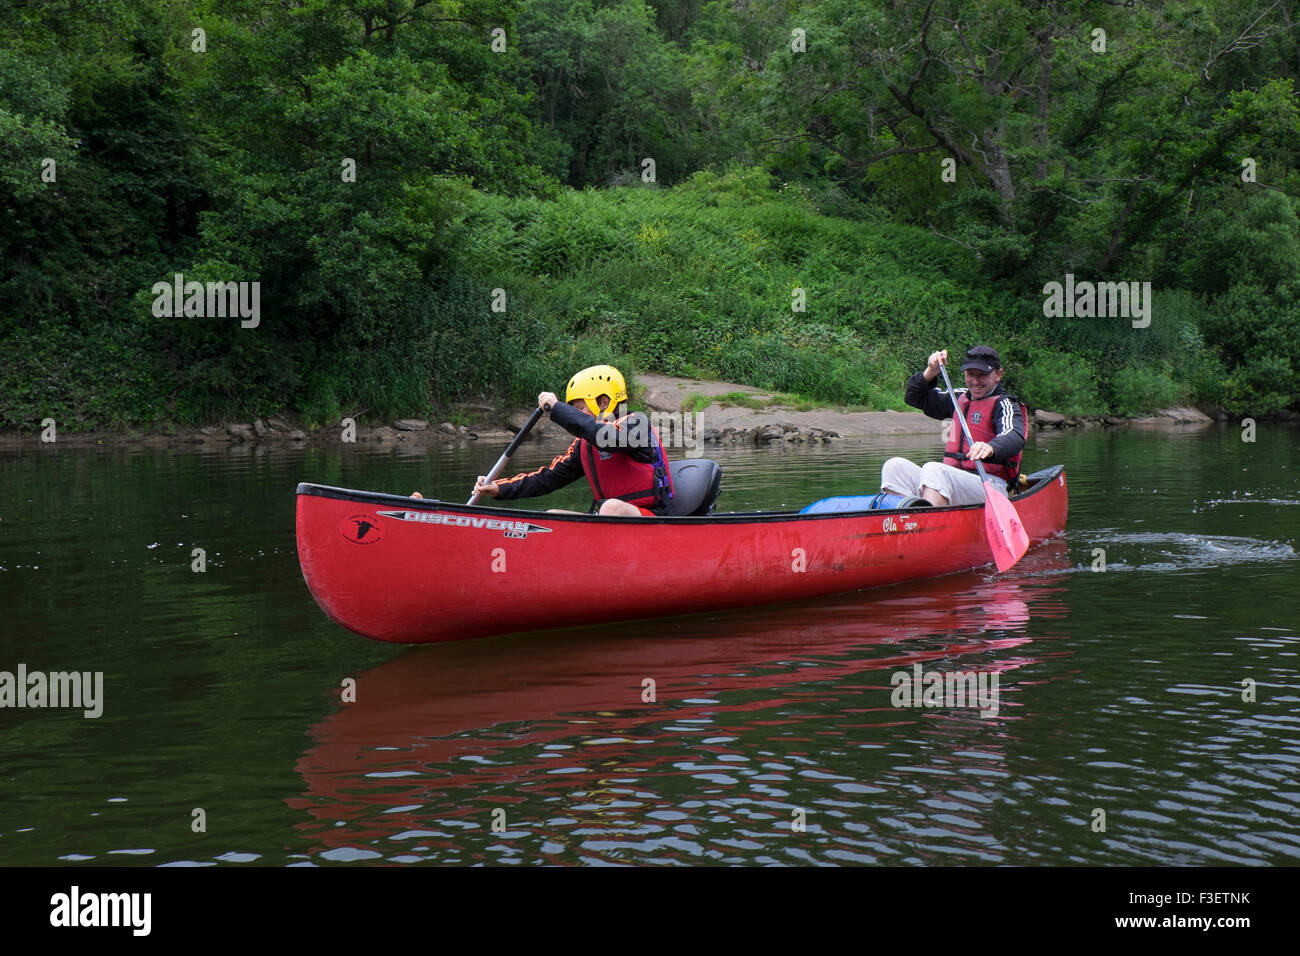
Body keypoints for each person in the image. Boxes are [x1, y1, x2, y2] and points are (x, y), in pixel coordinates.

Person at [456, 365, 674, 516]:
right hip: (610, 521)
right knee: (553, 517)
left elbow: (608, 439)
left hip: (652, 517)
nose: (576, 415)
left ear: (604, 403)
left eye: (579, 409)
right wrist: (499, 489)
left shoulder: (637, 424)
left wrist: (558, 409)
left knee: (611, 508)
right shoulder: (583, 447)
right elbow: (548, 478)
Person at [880, 345, 1027, 507]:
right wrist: (931, 370)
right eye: (971, 374)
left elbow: (1014, 435)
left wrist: (992, 448)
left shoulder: (1005, 403)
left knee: (934, 469)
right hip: (953, 480)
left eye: (983, 375)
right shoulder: (958, 397)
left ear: (998, 375)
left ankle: (930, 525)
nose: (976, 381)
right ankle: (906, 522)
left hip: (991, 485)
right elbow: (914, 397)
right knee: (894, 467)